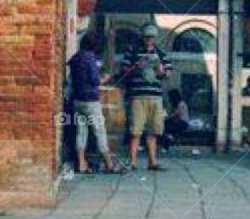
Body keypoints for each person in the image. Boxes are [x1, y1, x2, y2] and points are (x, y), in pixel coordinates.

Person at [121, 23, 172, 171]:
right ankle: (132, 162)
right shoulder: (132, 50)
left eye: (152, 37)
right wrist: (136, 67)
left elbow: (167, 75)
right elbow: (123, 70)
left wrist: (161, 71)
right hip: (137, 95)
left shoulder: (162, 53)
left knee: (153, 130)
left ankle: (152, 162)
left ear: (156, 38)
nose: (149, 40)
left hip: (155, 96)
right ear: (142, 36)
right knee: (135, 130)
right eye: (147, 37)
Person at [67, 32, 119, 175]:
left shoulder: (75, 58)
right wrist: (106, 78)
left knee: (81, 132)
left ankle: (82, 164)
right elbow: (96, 81)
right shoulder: (90, 59)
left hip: (77, 100)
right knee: (99, 132)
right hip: (91, 100)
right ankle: (109, 164)